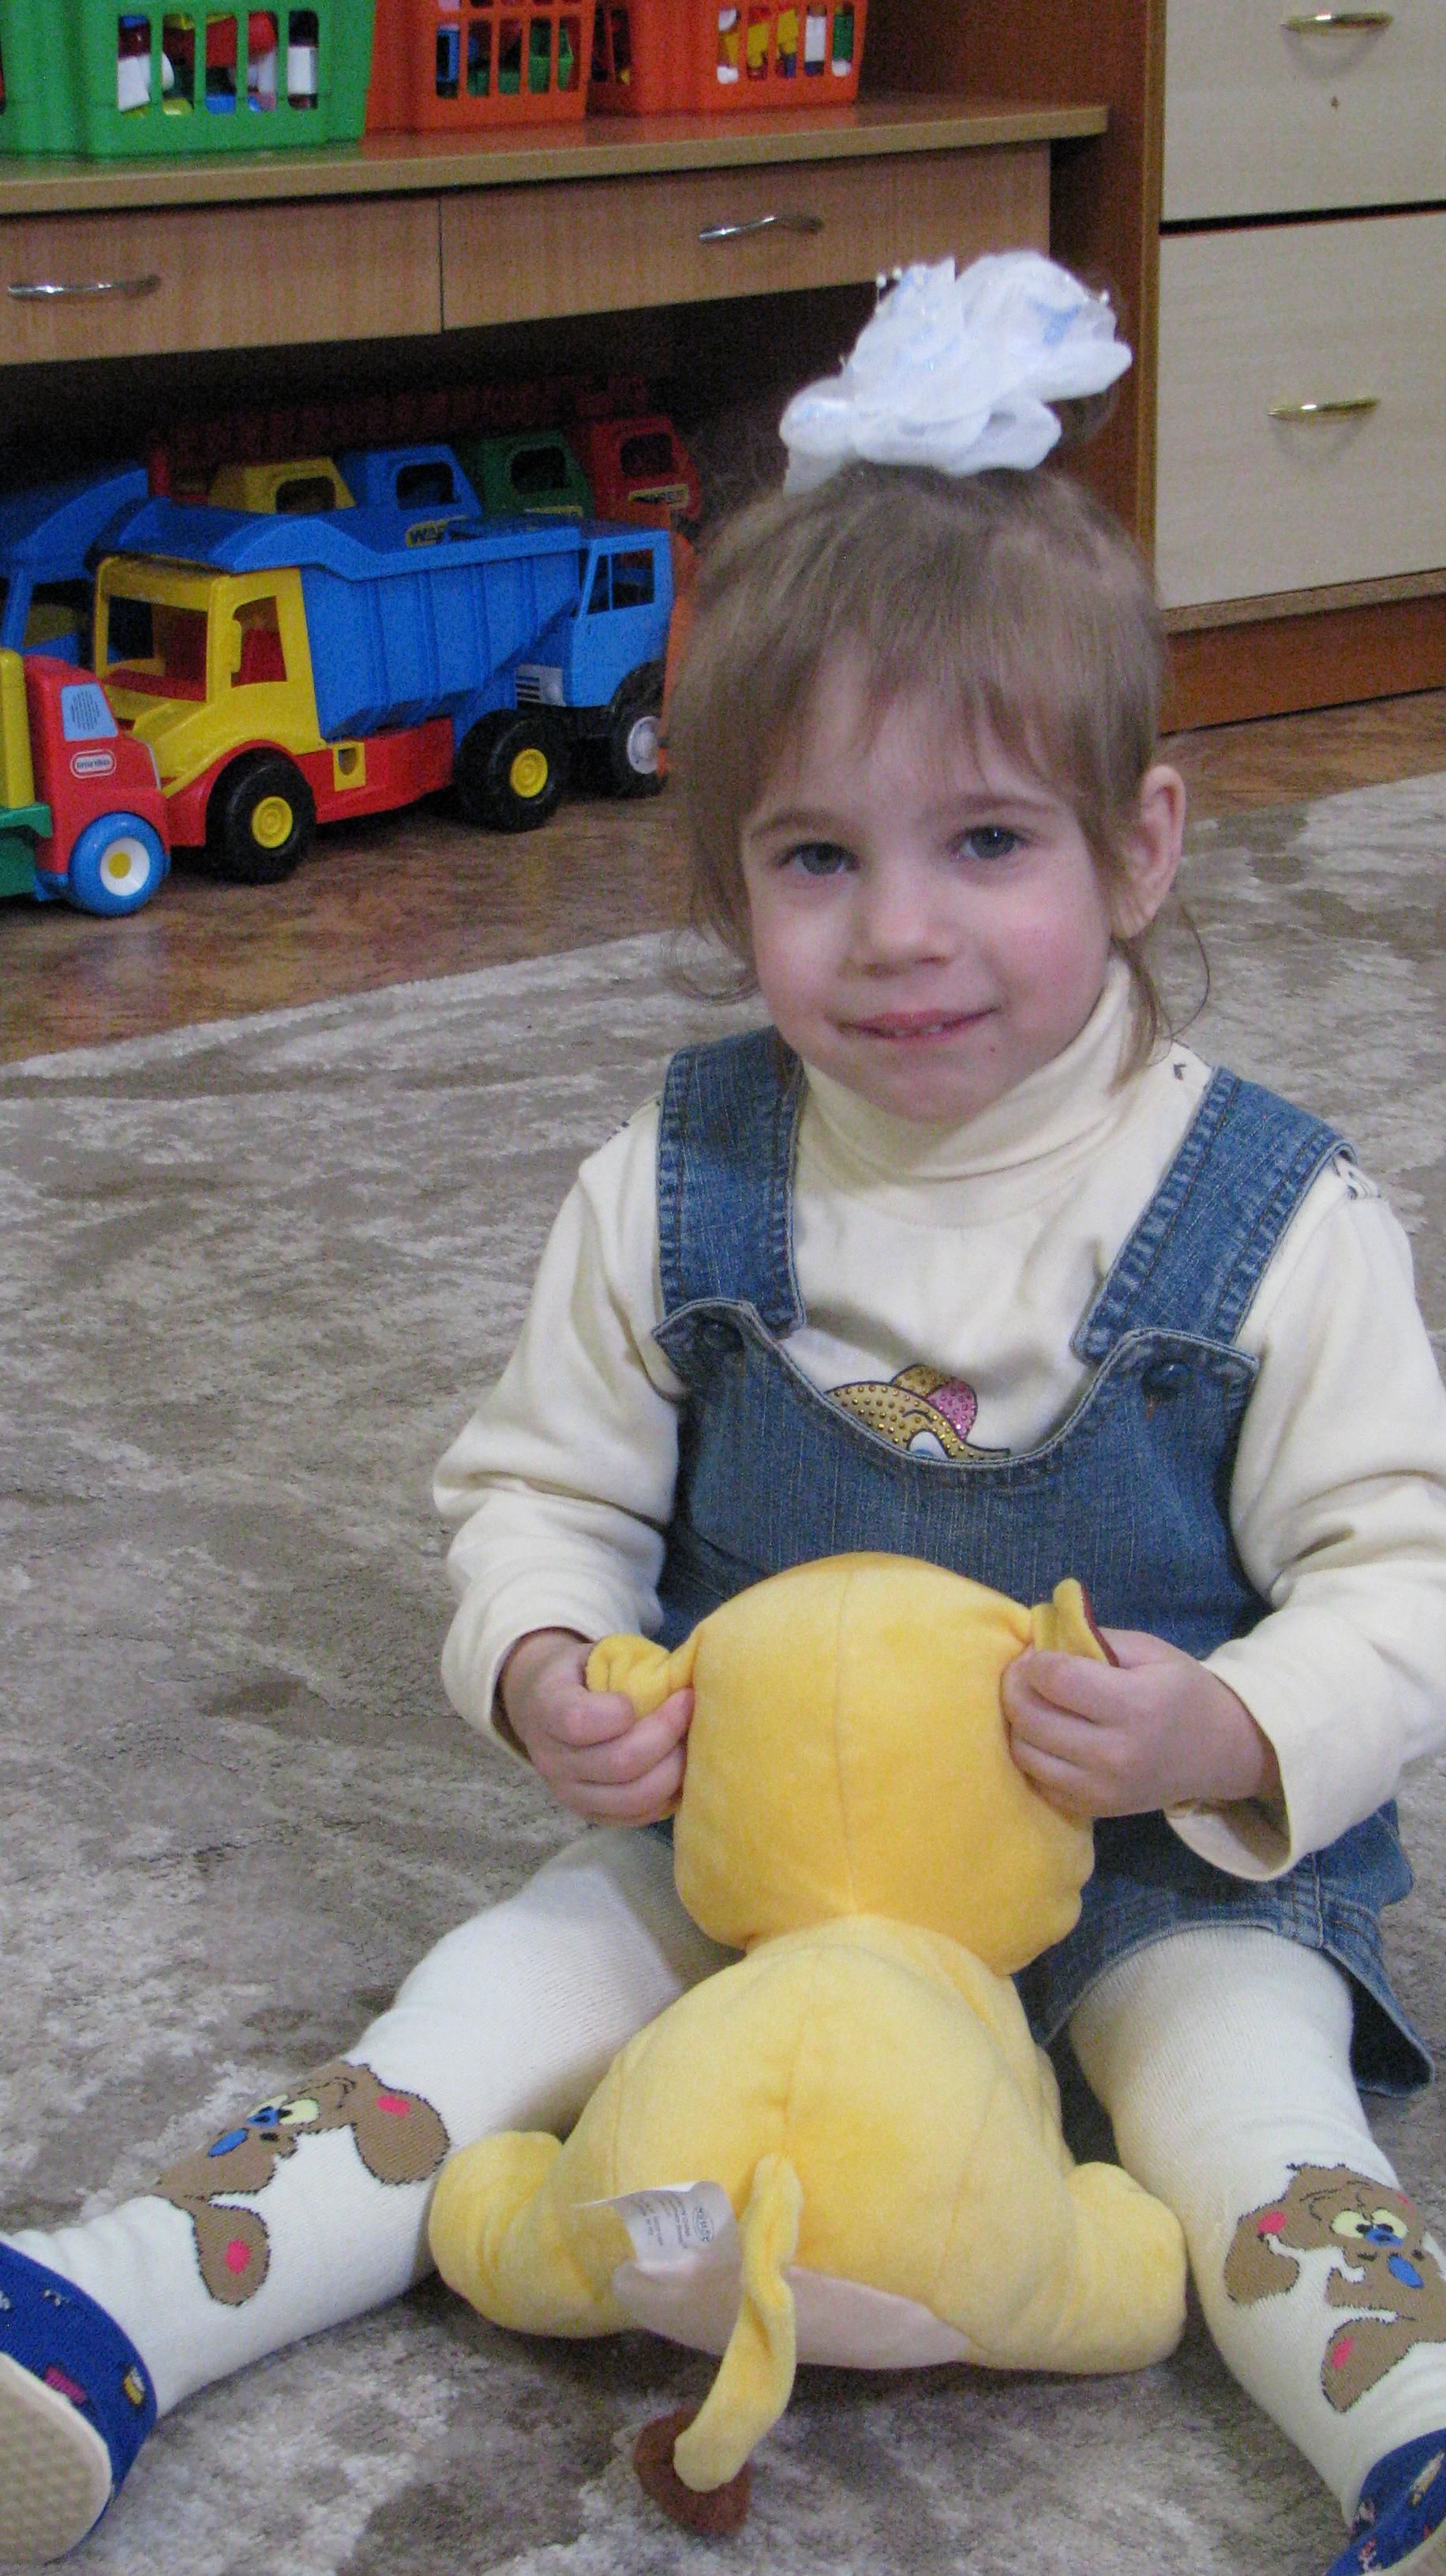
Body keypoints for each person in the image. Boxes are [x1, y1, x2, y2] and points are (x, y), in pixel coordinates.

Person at [5, 256, 1446, 2576]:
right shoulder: (675, 1180)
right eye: (817, 858)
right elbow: (536, 1489)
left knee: (1247, 2118)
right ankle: (115, 2306)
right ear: (724, 874)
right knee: (488, 2001)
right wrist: (543, 1667)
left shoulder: (1275, 1216)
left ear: (1144, 846)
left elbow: (1406, 1571)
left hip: (1155, 1871)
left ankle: (1415, 2434)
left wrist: (1230, 1729)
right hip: (756, 1845)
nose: (900, 932)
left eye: (991, 843)